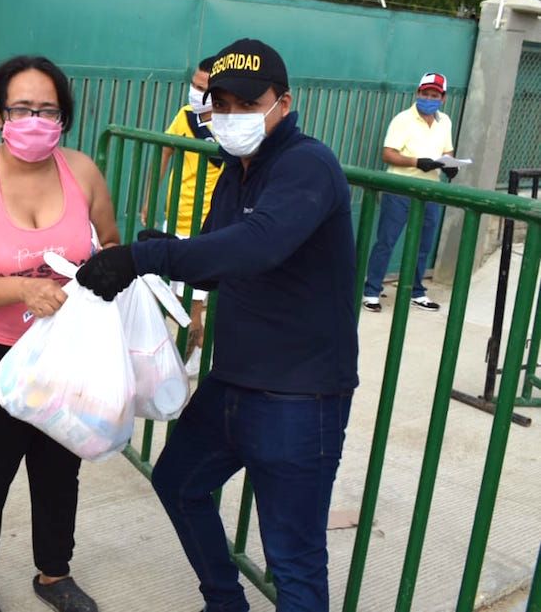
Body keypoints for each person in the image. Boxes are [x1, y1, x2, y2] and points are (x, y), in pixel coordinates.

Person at [76, 39, 358, 612]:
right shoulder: (236, 170)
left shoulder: (308, 164)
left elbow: (258, 246)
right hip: (234, 379)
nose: (230, 116)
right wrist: (168, 247)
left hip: (299, 396)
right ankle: (224, 602)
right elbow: (220, 256)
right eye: (220, 103)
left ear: (284, 102)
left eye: (247, 104)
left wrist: (142, 257)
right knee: (178, 482)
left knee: (293, 558)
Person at [0, 55, 120, 612]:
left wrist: (112, 266)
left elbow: (107, 241)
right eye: (22, 109)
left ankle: (53, 574)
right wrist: (21, 290)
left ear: (64, 117)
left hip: (66, 356)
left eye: (48, 110)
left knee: (60, 470)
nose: (35, 120)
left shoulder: (82, 172)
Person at [361, 72, 457, 313]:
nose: (429, 98)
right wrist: (416, 162)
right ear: (417, 93)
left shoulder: (445, 121)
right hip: (400, 188)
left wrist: (450, 167)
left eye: (434, 94)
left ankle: (416, 291)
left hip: (430, 191)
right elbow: (388, 153)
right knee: (387, 241)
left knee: (423, 244)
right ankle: (371, 290)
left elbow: (448, 152)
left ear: (443, 98)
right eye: (425, 93)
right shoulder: (403, 120)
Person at [144, 55, 221, 350]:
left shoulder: (230, 127)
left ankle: (190, 361)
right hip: (176, 217)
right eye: (194, 84)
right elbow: (165, 152)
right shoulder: (186, 115)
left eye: (204, 87)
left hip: (205, 226)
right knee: (176, 297)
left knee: (193, 304)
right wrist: (151, 198)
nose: (196, 91)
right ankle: (195, 352)